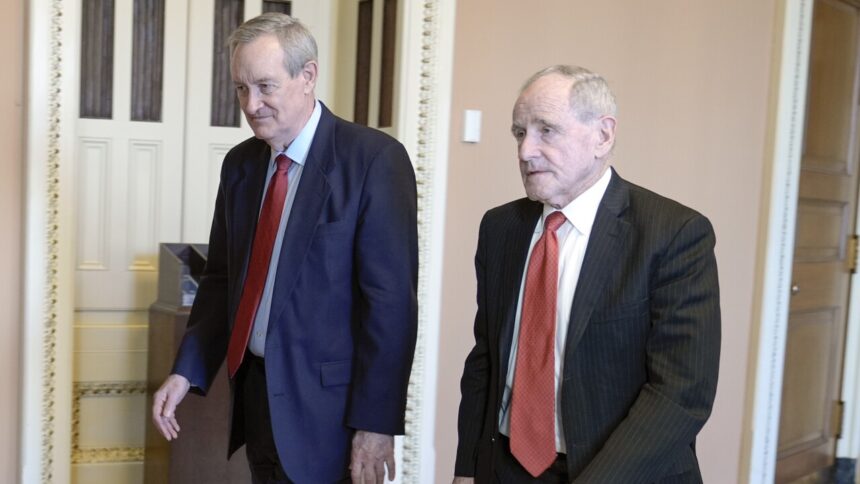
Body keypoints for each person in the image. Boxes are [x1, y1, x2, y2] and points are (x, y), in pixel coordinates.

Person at [151, 13, 418, 484]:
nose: (251, 104)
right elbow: (220, 281)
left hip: (331, 417)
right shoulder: (240, 165)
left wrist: (375, 426)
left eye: (265, 87)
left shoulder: (374, 160)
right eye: (241, 89)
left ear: (307, 76)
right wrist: (186, 370)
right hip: (255, 399)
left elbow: (390, 308)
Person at [453, 65, 720, 483]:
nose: (525, 151)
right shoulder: (500, 228)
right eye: (519, 133)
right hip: (506, 467)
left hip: (620, 473)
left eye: (546, 130)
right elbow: (485, 358)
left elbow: (680, 394)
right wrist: (467, 469)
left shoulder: (673, 234)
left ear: (603, 135)